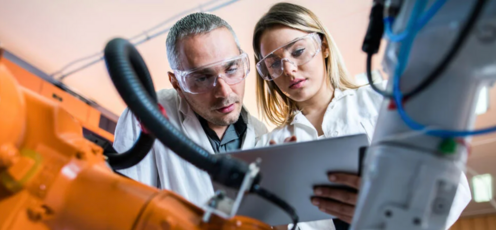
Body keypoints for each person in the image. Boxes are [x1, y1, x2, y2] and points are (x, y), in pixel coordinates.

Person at [252, 3, 471, 230]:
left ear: (324, 46)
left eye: (297, 51)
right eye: (274, 63)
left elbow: (453, 188)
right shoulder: (272, 145)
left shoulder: (384, 101)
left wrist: (387, 212)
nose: (288, 69)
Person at [113, 12, 267, 207]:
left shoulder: (262, 135)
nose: (224, 92)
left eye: (231, 69)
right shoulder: (147, 113)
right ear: (176, 82)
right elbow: (125, 205)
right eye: (202, 78)